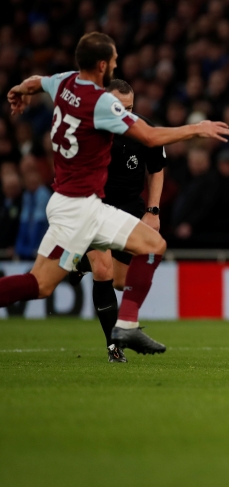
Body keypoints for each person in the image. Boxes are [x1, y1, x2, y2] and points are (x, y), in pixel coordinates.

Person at [0, 33, 229, 360]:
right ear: (102, 64)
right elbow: (150, 136)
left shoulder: (65, 83)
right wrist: (197, 128)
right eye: (115, 59)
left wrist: (21, 90)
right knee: (151, 248)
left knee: (41, 284)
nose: (117, 64)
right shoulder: (101, 103)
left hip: (71, 203)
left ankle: (125, 324)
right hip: (82, 208)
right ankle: (126, 323)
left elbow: (38, 81)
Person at [66, 79, 166, 363]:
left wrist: (153, 210)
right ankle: (114, 347)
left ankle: (77, 263)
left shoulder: (143, 129)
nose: (125, 115)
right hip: (93, 205)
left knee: (121, 282)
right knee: (103, 267)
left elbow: (156, 169)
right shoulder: (83, 130)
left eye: (130, 108)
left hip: (129, 207)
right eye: (117, 109)